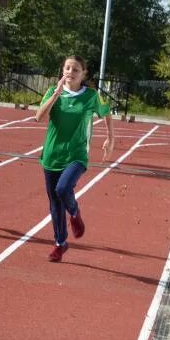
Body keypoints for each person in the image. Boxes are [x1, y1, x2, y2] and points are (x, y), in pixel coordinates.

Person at [34, 55, 115, 263]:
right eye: (67, 68)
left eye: (75, 69)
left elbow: (106, 113)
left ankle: (75, 213)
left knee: (63, 189)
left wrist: (110, 138)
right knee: (54, 202)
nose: (70, 72)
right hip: (52, 154)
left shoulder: (91, 96)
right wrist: (55, 95)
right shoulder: (53, 92)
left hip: (77, 154)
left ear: (83, 74)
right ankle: (60, 243)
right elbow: (39, 117)